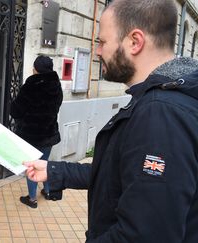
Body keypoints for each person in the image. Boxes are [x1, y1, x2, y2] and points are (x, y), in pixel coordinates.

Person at [24, 0, 198, 242]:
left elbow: (145, 235)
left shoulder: (161, 113)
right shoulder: (160, 100)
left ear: (135, 42)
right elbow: (122, 173)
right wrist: (56, 171)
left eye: (102, 42)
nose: (97, 50)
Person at [11, 55, 63, 208]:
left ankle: (32, 199)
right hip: (49, 133)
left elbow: (15, 111)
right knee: (44, 163)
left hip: (31, 135)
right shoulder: (56, 85)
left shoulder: (30, 86)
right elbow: (57, 105)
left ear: (36, 69)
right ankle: (48, 192)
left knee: (32, 167)